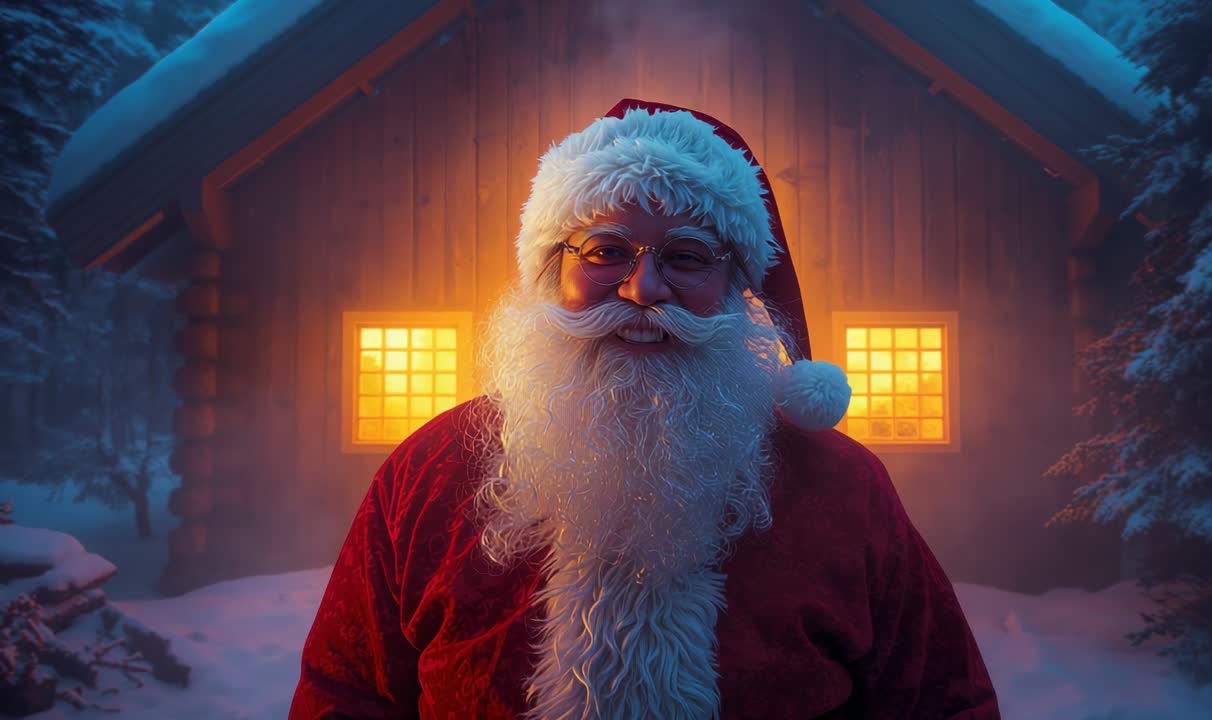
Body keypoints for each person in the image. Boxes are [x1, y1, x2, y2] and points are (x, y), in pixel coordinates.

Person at [290, 98, 1000, 719]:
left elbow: (945, 703)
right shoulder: (428, 474)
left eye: (687, 256)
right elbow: (342, 699)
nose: (642, 290)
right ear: (549, 271)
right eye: (605, 251)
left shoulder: (844, 489)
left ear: (732, 286)